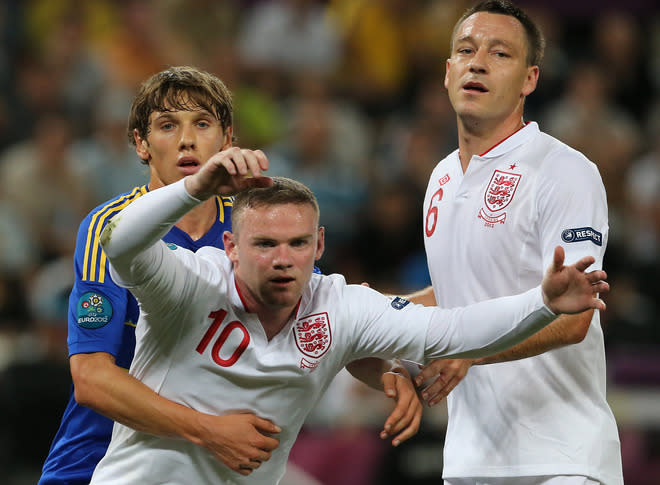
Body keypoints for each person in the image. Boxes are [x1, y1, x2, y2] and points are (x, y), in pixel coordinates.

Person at [89, 148, 608, 485]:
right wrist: (194, 189)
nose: (281, 257)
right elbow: (120, 241)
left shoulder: (340, 306)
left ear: (319, 245)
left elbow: (452, 329)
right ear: (230, 246)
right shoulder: (188, 284)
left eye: (296, 243)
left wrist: (541, 303)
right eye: (264, 243)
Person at [38, 65, 420, 485]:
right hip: (97, 463)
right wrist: (208, 431)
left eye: (202, 123)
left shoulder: (254, 225)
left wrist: (389, 371)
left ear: (227, 139)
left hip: (214, 467)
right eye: (167, 126)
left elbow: (319, 317)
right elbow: (91, 379)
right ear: (140, 144)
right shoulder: (112, 228)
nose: (186, 140)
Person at [409, 1, 623, 484]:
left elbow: (574, 315)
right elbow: (456, 298)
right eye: (466, 50)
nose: (478, 62)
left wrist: (469, 351)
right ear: (448, 73)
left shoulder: (565, 171)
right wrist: (362, 316)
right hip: (470, 461)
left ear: (529, 80)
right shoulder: (440, 177)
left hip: (563, 459)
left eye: (500, 53)